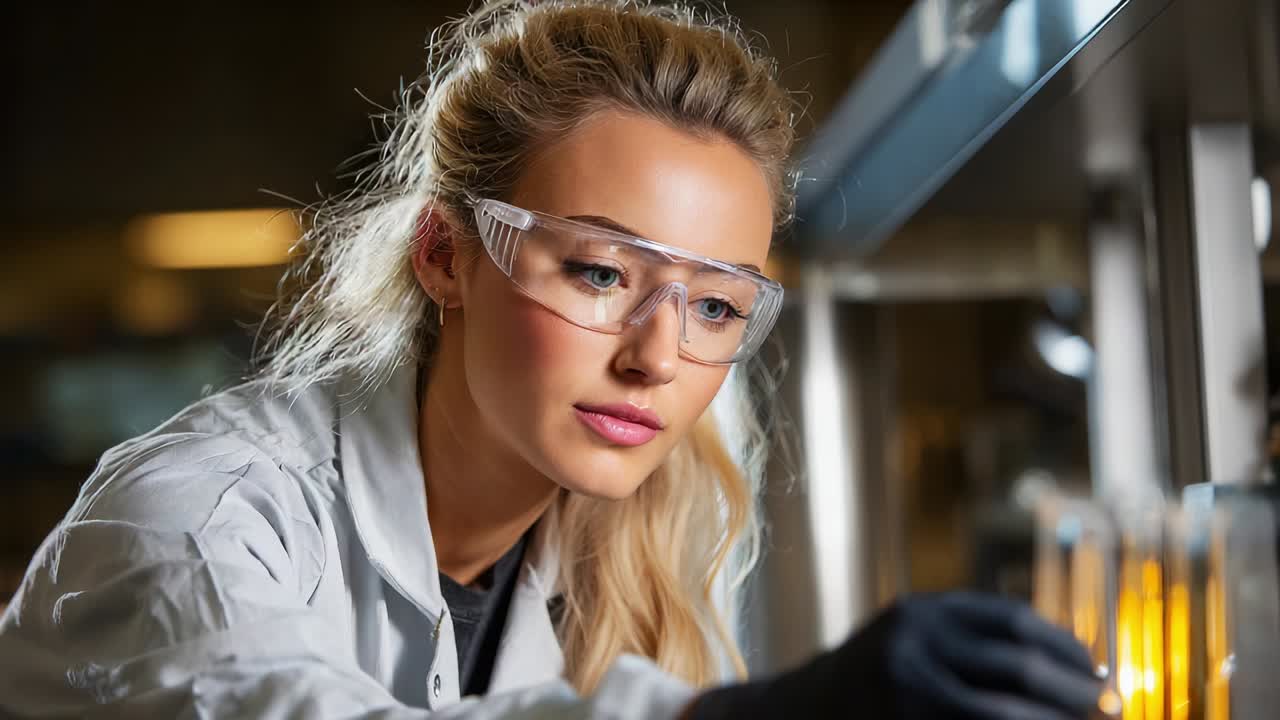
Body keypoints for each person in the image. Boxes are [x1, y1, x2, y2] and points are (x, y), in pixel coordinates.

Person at [0, 1, 1104, 717]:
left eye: (716, 306)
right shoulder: (203, 515)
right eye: (598, 275)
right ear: (446, 255)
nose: (657, 357)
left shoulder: (612, 549)